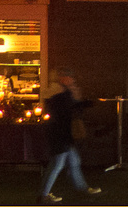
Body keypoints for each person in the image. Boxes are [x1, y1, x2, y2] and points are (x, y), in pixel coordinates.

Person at [37, 69, 100, 204]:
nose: (72, 80)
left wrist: (82, 102)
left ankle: (82, 188)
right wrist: (83, 102)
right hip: (61, 133)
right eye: (69, 77)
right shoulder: (60, 92)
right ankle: (44, 195)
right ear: (63, 78)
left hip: (60, 133)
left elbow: (67, 107)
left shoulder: (58, 91)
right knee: (58, 165)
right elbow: (68, 109)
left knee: (73, 161)